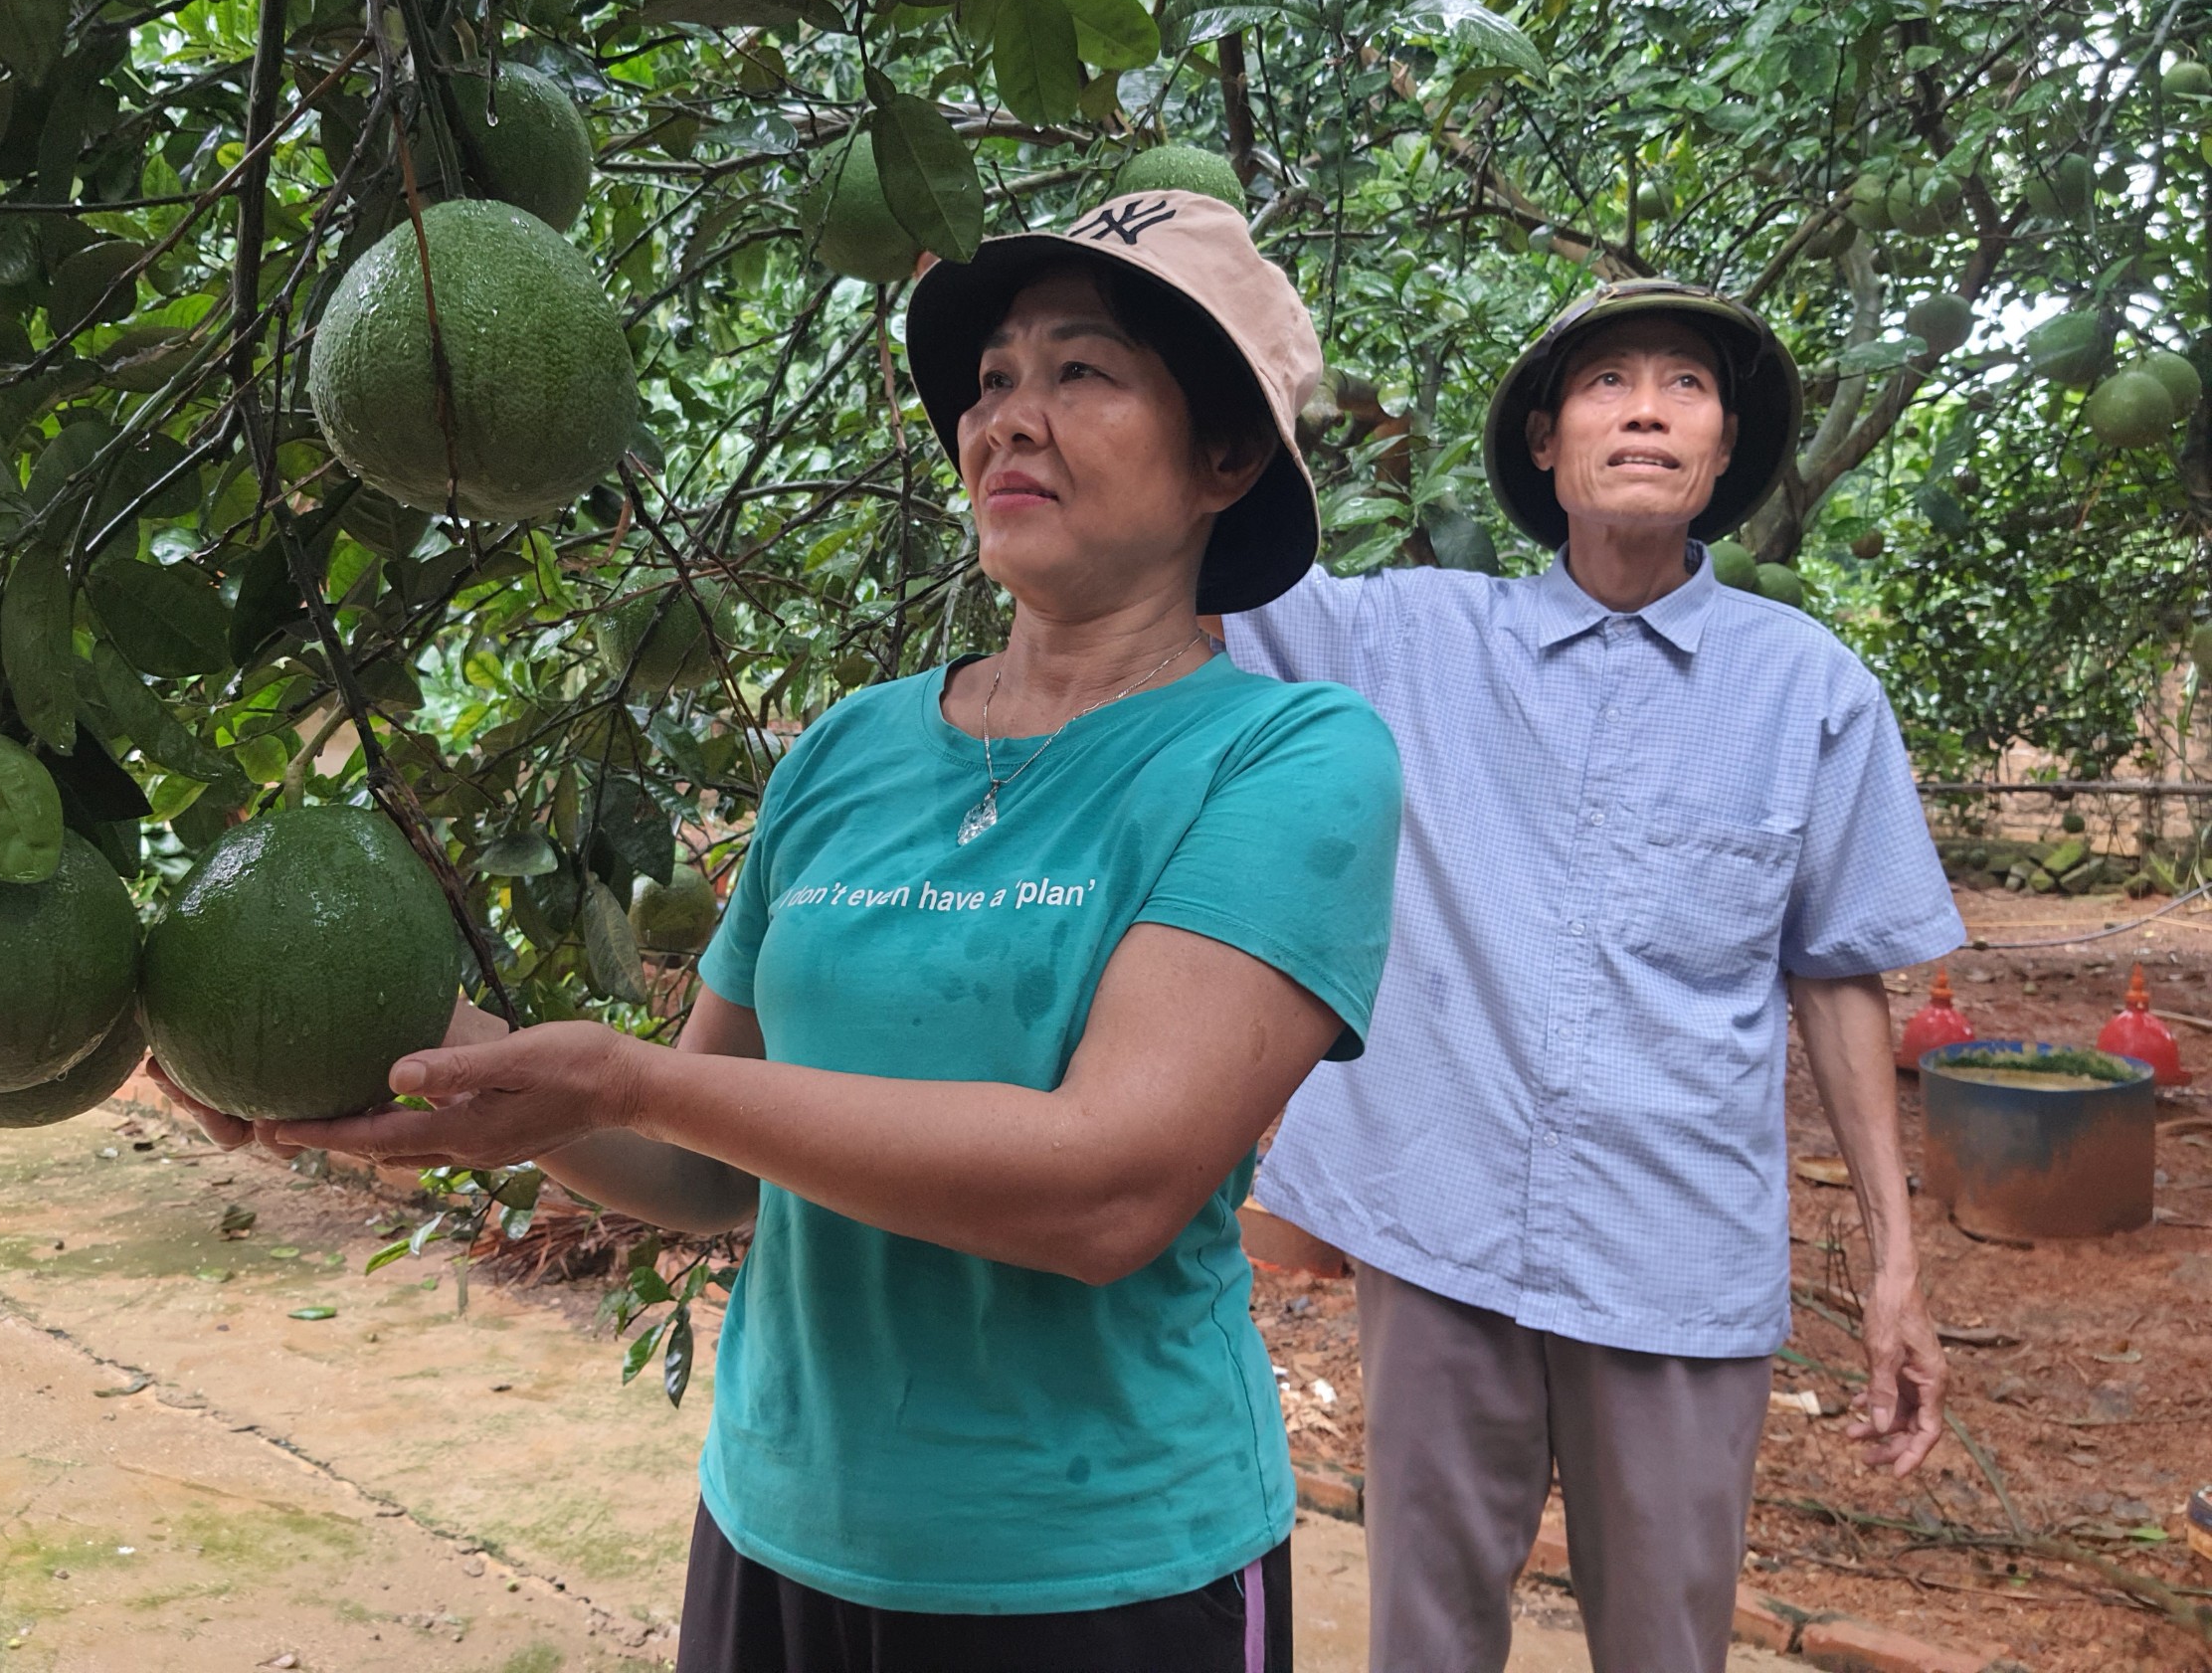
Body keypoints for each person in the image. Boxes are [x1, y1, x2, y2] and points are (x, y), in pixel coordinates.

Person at [156, 189, 1402, 1673]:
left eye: (1083, 372)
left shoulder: (1292, 757)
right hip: (778, 1534)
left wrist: (629, 1080)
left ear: (1228, 455)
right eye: (994, 378)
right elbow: (700, 1168)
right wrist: (389, 1059)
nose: (1011, 416)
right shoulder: (851, 752)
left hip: (1106, 1575)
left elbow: (1106, 1191)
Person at [1222, 280, 1965, 1673]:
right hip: (1440, 1233)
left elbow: (1840, 977)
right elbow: (1217, 559)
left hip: (1675, 1255)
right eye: (1605, 383)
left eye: (1681, 385)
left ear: (1723, 449)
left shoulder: (1808, 686)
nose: (1642, 408)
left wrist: (1894, 1264)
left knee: (1668, 1641)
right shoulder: (1409, 642)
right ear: (1548, 446)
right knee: (1425, 1635)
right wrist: (1217, 334)